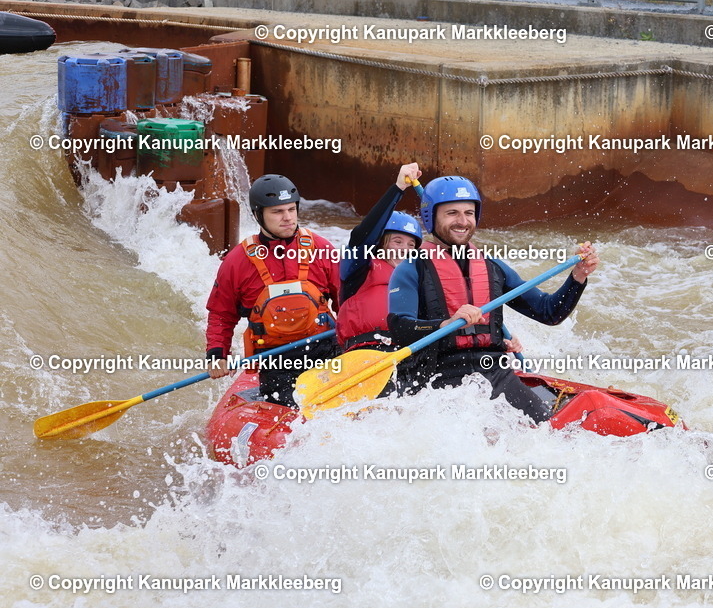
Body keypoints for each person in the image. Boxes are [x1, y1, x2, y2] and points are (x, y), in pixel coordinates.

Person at [387, 175, 598, 423]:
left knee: (549, 429)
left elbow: (549, 312)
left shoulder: (493, 267)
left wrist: (578, 277)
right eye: (452, 213)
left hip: (495, 373)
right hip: (437, 377)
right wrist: (445, 324)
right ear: (430, 217)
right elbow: (400, 328)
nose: (462, 221)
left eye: (469, 213)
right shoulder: (411, 268)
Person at [205, 174, 341, 407]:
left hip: (326, 349)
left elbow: (346, 302)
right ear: (259, 215)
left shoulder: (321, 248)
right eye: (277, 212)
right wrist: (217, 355)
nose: (287, 218)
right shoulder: (237, 261)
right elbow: (221, 313)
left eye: (291, 209)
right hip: (276, 359)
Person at [336, 163, 423, 352]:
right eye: (397, 242)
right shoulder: (359, 268)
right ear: (381, 244)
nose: (405, 250)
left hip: (406, 354)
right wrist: (398, 188)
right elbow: (363, 235)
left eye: (411, 245)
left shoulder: (419, 279)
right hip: (364, 351)